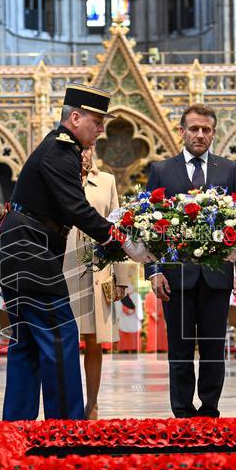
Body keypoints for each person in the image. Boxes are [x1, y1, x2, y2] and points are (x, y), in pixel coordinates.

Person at [0, 83, 155, 421]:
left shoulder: (57, 149)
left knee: (27, 344)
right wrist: (123, 240)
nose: (102, 128)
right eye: (97, 121)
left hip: (19, 251)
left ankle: (16, 426)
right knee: (61, 336)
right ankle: (66, 429)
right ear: (75, 118)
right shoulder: (61, 151)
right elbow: (77, 209)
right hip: (29, 254)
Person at [145, 104, 236, 418]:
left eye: (206, 130)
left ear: (214, 133)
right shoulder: (162, 170)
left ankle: (209, 409)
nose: (200, 135)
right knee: (178, 350)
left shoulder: (228, 169)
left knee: (212, 350)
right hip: (176, 278)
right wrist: (153, 271)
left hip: (217, 276)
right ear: (182, 131)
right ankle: (181, 411)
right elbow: (150, 228)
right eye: (194, 129)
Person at [62, 145, 136, 420]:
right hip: (64, 270)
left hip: (98, 270)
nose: (83, 153)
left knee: (95, 342)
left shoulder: (106, 181)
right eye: (78, 148)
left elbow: (118, 230)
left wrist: (122, 277)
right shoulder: (59, 177)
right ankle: (68, 406)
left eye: (88, 148)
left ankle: (92, 404)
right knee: (65, 341)